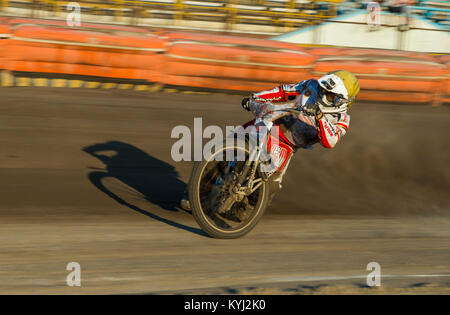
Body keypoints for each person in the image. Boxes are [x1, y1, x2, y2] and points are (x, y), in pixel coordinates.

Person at [179, 70, 360, 211]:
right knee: (227, 147)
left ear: (343, 101)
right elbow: (284, 91)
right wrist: (256, 98)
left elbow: (331, 141)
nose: (324, 93)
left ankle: (250, 209)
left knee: (270, 182)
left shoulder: (342, 119)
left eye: (330, 94)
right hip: (273, 120)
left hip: (287, 144)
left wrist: (320, 116)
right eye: (324, 89)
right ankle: (197, 194)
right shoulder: (311, 85)